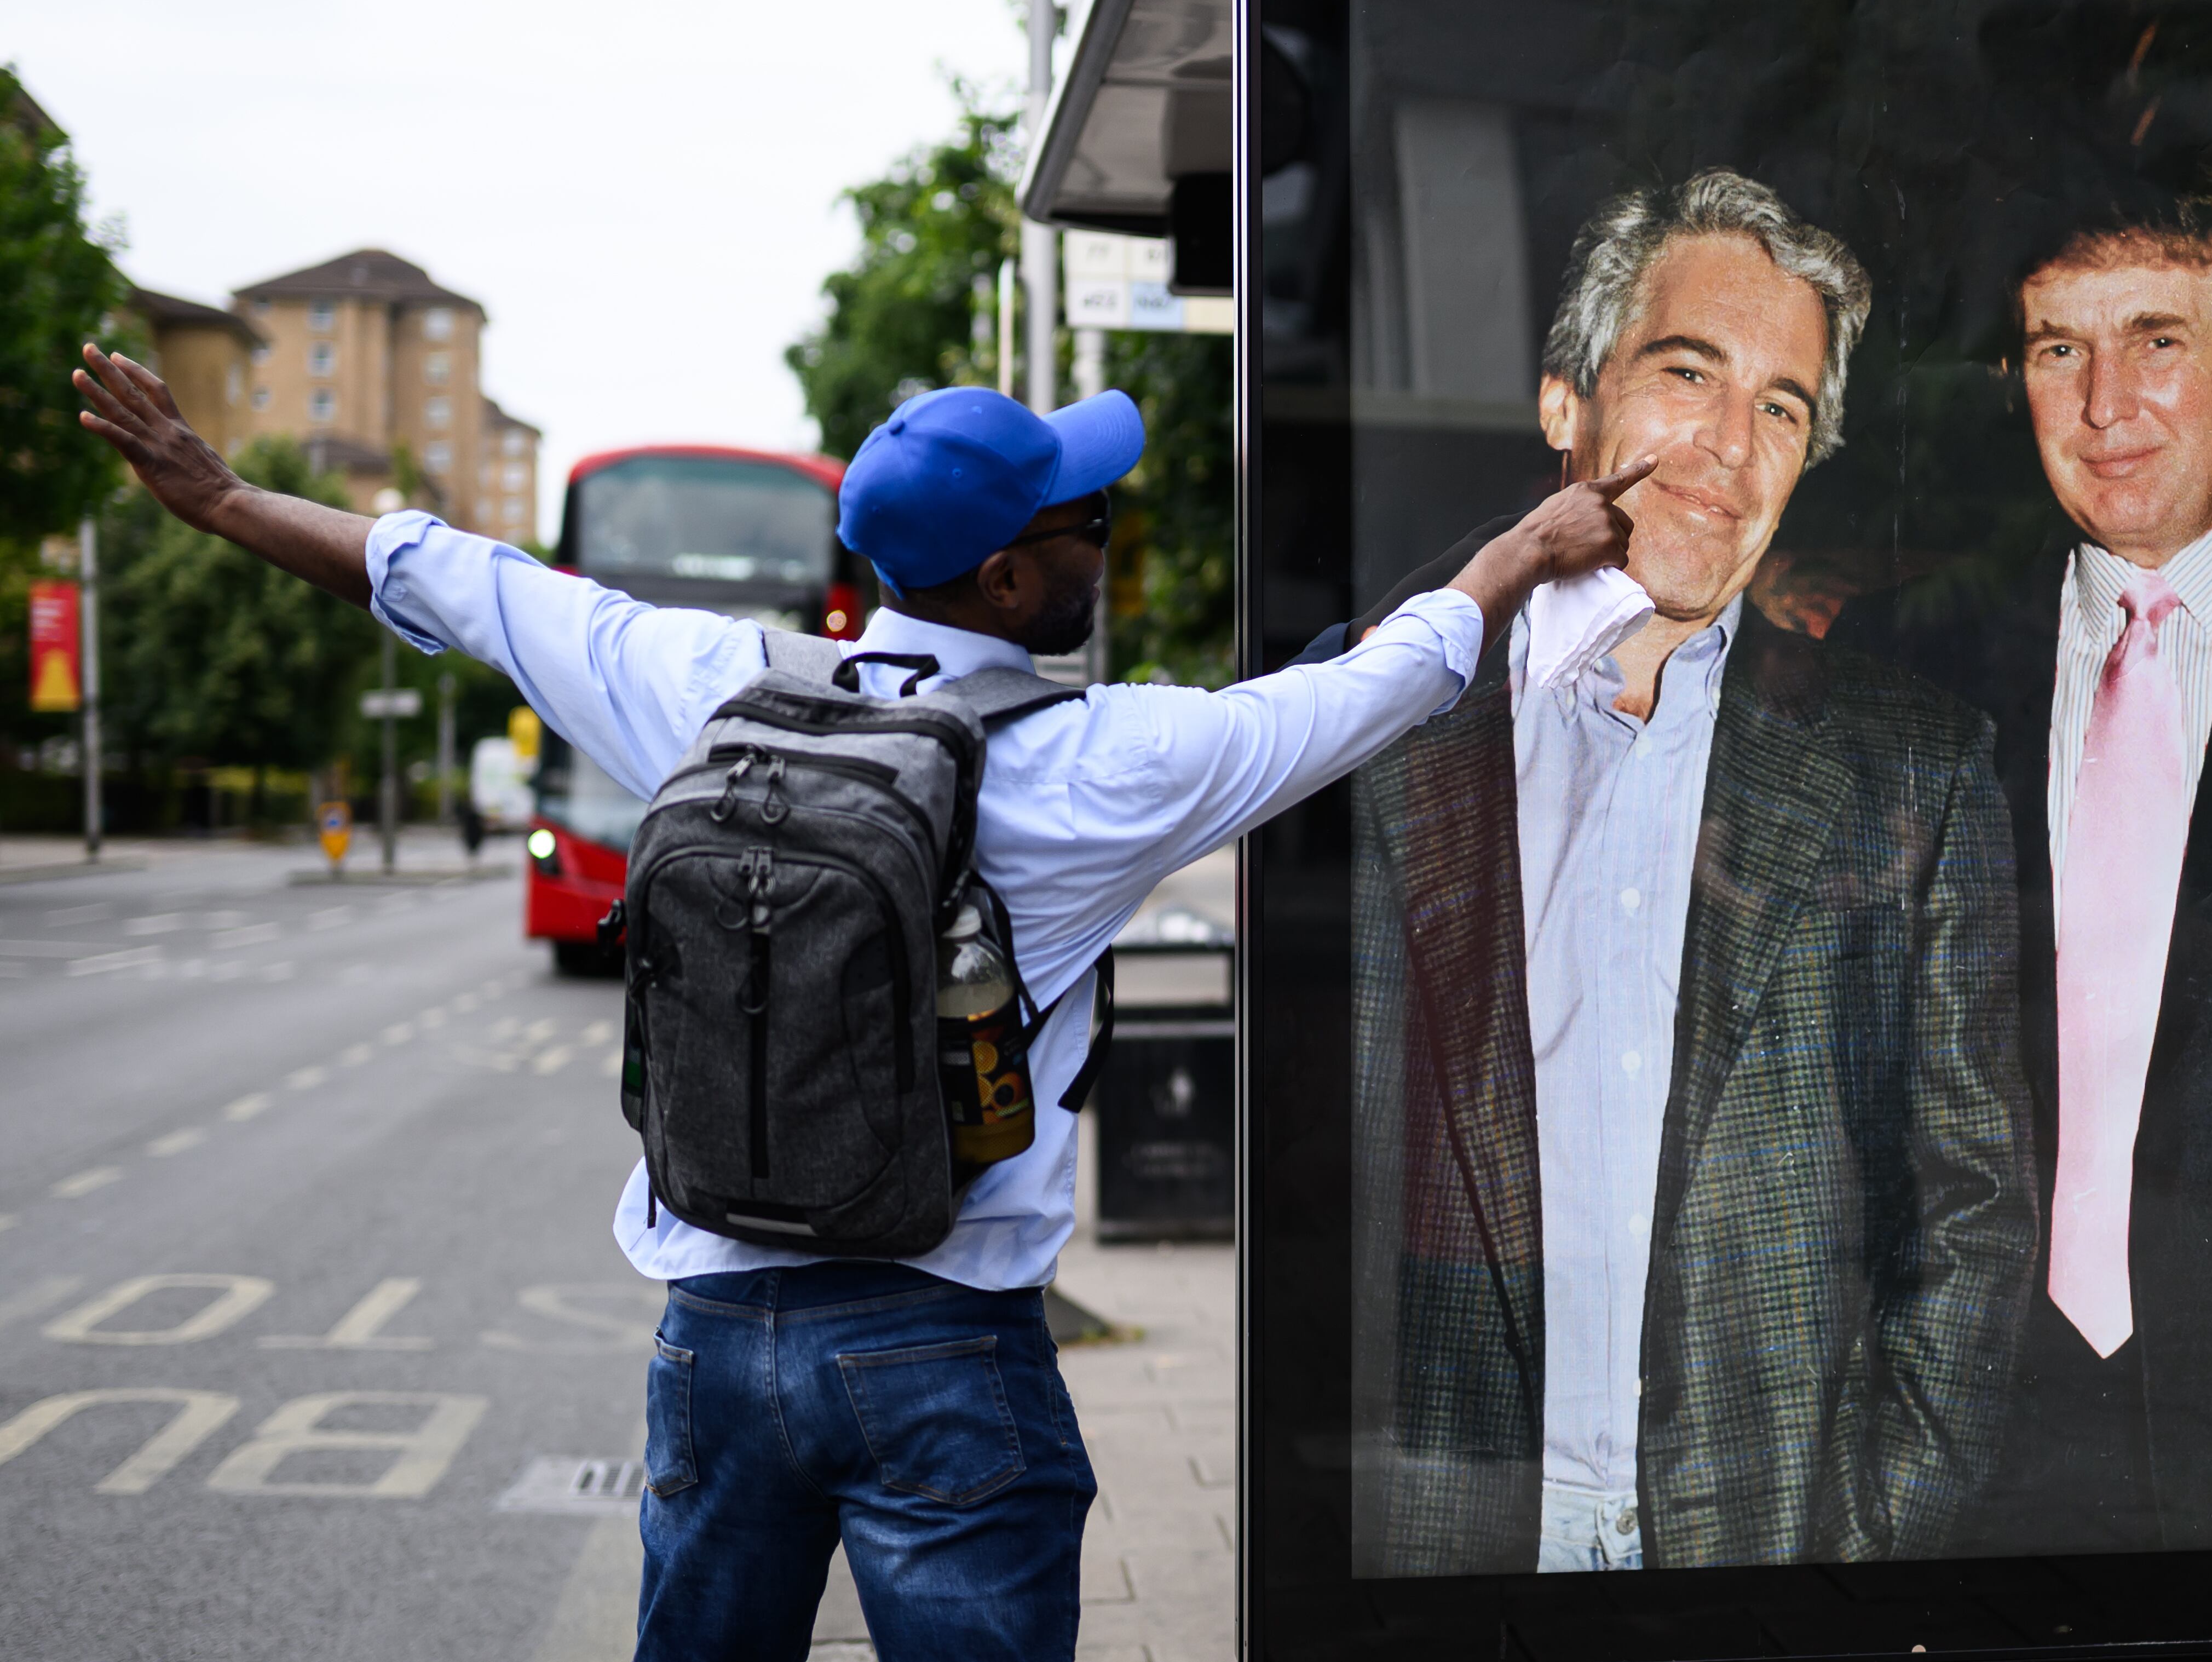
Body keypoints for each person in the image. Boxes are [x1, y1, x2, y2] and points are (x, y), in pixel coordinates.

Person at [72, 348, 1653, 1658]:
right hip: (942, 1341)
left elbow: (453, 575)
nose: (1108, 539)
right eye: (1087, 518)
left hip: (711, 1333)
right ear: (1009, 571)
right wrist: (1519, 553)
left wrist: (215, 499)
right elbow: (1370, 688)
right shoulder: (1105, 764)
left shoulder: (711, 686)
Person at [1314, 170, 2035, 1576]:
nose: (1729, 442)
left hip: (1763, 1550)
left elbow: (1972, 1210)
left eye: (1781, 406)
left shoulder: (1912, 769)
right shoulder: (1358, 730)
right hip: (1439, 1542)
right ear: (1562, 405)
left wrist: (1873, 1537)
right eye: (1686, 371)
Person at [1936, 175, 2212, 1552]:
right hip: (1971, 1441)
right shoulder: (1917, 677)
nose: (2102, 404)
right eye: (2058, 348)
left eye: (2157, 341)